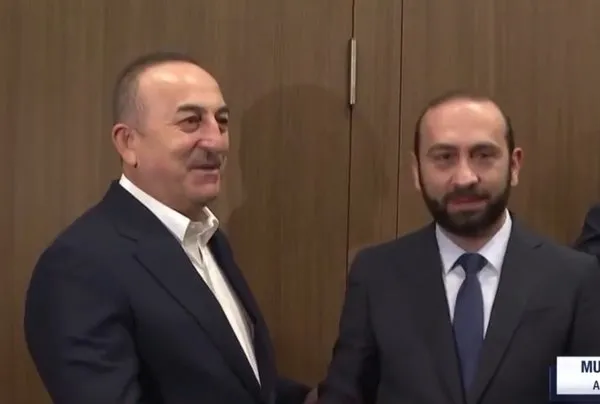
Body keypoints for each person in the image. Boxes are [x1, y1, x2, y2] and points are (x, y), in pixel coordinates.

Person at [24, 51, 313, 404]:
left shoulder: (209, 239)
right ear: (128, 143)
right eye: (191, 122)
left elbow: (236, 385)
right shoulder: (79, 267)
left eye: (222, 122)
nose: (217, 141)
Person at [317, 91, 600, 403]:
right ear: (417, 171)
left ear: (514, 165)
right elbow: (344, 394)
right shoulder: (376, 275)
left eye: (483, 155)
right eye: (444, 157)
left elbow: (583, 398)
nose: (465, 177)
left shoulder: (574, 278)